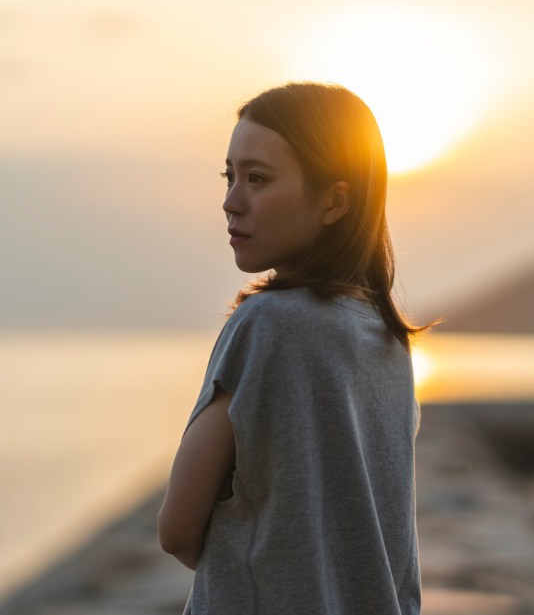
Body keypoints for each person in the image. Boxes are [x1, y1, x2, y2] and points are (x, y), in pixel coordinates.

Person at [157, 82, 427, 614]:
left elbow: (177, 528)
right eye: (230, 176)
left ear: (334, 201)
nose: (232, 201)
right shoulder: (386, 340)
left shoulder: (269, 323)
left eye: (258, 179)